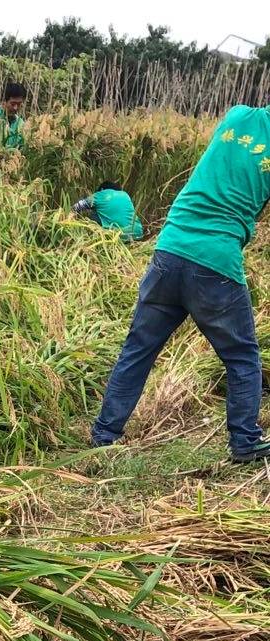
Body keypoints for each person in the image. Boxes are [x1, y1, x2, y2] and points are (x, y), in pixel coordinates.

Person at [92, 105, 270, 463]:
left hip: (169, 249)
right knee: (242, 358)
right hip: (215, 262)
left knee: (138, 350)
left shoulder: (236, 116)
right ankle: (245, 441)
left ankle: (103, 435)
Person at [73, 181, 144, 241]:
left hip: (118, 236)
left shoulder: (100, 194)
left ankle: (89, 239)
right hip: (138, 233)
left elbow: (77, 206)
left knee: (93, 215)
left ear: (102, 189)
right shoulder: (125, 194)